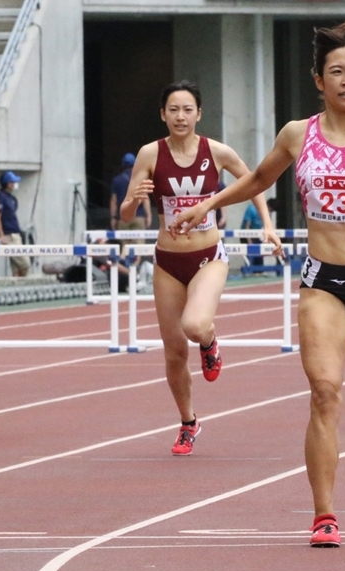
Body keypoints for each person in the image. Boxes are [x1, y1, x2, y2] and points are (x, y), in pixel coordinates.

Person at [170, 19, 345, 547]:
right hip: (324, 283)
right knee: (324, 392)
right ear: (319, 79)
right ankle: (324, 515)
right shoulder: (299, 134)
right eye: (336, 71)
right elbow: (258, 178)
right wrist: (208, 203)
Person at [120, 80, 283, 456]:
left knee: (194, 326)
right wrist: (132, 200)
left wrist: (268, 226)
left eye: (187, 109)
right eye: (173, 109)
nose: (180, 116)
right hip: (167, 261)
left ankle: (209, 342)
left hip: (208, 256)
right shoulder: (149, 154)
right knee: (174, 352)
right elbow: (129, 215)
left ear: (199, 114)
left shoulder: (217, 151)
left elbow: (255, 182)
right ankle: (188, 422)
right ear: (163, 114)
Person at [0, 170, 30, 277]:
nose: (14, 184)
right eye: (12, 182)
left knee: (16, 268)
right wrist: (1, 235)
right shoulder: (1, 197)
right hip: (9, 236)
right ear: (8, 183)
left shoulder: (12, 198)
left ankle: (19, 289)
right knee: (25, 264)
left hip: (16, 234)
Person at [110, 152, 151, 239]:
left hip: (123, 217)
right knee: (139, 248)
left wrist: (114, 217)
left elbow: (114, 201)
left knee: (125, 247)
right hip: (139, 216)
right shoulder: (140, 179)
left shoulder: (117, 180)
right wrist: (148, 215)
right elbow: (145, 198)